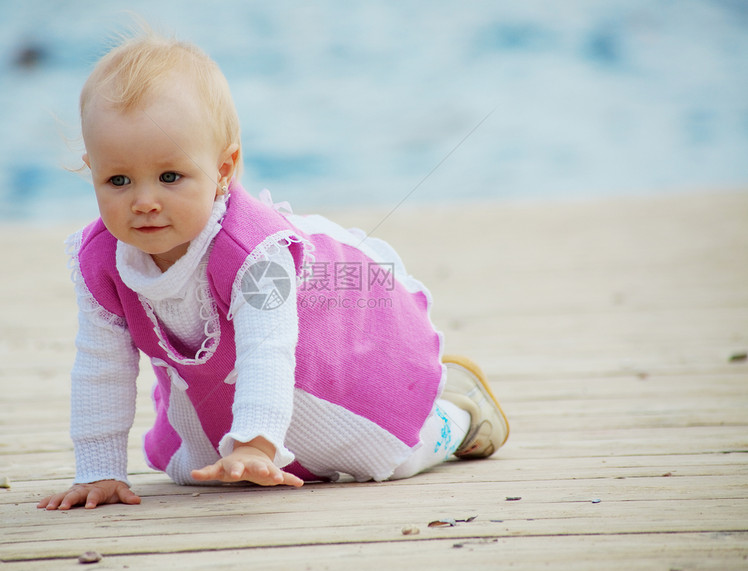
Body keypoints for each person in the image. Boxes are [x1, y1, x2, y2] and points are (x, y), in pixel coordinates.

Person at [38, 28, 509, 511]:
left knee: (388, 456)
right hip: (219, 391)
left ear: (224, 170)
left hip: (328, 367)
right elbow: (101, 366)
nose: (144, 202)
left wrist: (256, 440)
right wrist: (99, 470)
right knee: (194, 470)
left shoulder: (252, 251)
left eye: (170, 177)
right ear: (90, 169)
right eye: (117, 180)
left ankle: (461, 413)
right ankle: (254, 443)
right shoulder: (101, 261)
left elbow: (268, 346)